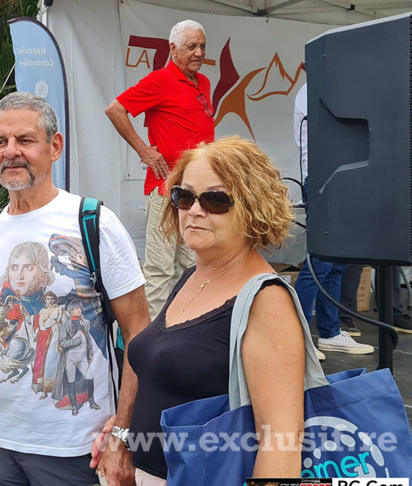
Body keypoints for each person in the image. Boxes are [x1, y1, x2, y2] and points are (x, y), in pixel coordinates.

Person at [0, 92, 150, 486]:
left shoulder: (93, 222)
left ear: (55, 146)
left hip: (79, 447)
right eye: (0, 142)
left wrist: (123, 434)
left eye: (25, 140)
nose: (11, 152)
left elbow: (139, 335)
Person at [94, 136, 307, 484]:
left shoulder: (265, 299)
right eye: (184, 195)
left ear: (253, 207)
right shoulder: (195, 276)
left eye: (216, 200)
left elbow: (282, 439)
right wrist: (122, 434)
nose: (194, 210)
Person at [105, 19, 215, 319]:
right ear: (173, 49)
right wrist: (143, 149)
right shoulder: (161, 80)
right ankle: (152, 343)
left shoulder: (202, 82)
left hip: (196, 193)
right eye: (191, 46)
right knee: (160, 269)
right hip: (166, 189)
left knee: (186, 267)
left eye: (202, 46)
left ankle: (176, 328)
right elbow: (115, 109)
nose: (199, 52)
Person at [293, 83, 373, 355]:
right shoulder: (311, 90)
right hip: (321, 179)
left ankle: (330, 332)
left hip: (345, 178)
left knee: (337, 262)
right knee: (319, 263)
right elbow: (325, 133)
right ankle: (298, 338)